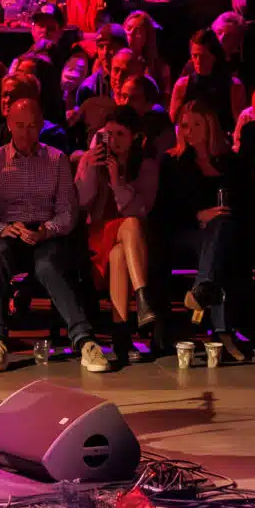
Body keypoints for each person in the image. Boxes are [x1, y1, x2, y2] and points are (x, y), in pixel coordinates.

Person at [0, 81, 112, 373]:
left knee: (47, 265)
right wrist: (3, 229)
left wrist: (46, 230)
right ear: (9, 125)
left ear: (41, 126)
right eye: (20, 126)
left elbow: (67, 212)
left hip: (46, 233)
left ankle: (84, 340)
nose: (26, 133)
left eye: (32, 126)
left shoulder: (56, 160)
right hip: (10, 232)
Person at [155, 105, 252, 360]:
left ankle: (202, 290)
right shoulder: (172, 162)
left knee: (221, 230)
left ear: (210, 126)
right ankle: (222, 332)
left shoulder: (230, 162)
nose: (190, 131)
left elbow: (247, 203)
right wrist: (198, 216)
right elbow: (164, 212)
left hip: (225, 234)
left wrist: (219, 216)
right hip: (185, 233)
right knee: (218, 242)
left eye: (197, 124)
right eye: (185, 126)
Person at [75, 111, 161, 342]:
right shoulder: (90, 160)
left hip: (135, 243)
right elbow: (80, 202)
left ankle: (121, 336)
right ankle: (142, 297)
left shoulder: (146, 166)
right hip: (97, 236)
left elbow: (141, 210)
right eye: (109, 134)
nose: (114, 140)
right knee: (128, 227)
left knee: (120, 252)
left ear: (135, 137)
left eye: (121, 134)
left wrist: (117, 182)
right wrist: (90, 168)